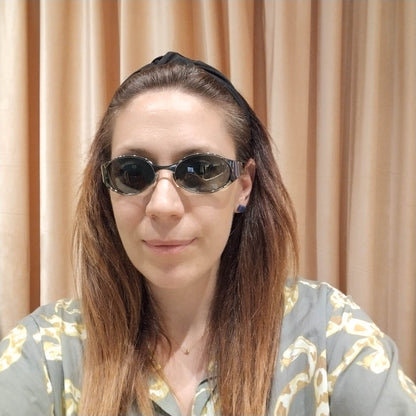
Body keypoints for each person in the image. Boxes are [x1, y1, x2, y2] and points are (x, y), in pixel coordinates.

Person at [0, 52, 415, 416]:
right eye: (132, 173)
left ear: (244, 186)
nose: (163, 205)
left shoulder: (330, 336)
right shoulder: (44, 353)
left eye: (200, 170)